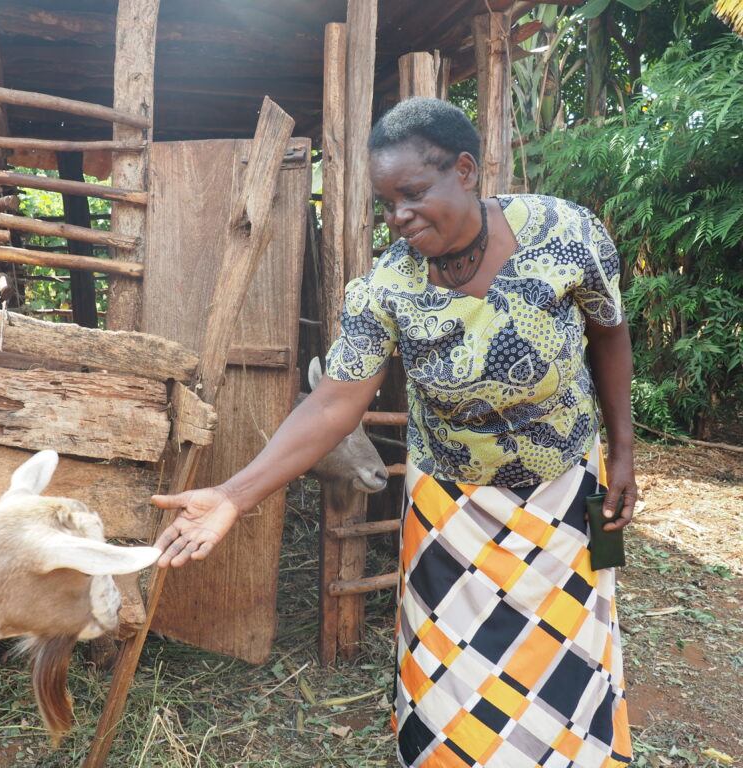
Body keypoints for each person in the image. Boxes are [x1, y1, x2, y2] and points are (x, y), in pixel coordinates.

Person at [151, 97, 637, 768]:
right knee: (452, 686)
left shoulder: (566, 234)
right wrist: (234, 495)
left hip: (565, 499)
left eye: (413, 194)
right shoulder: (389, 287)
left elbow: (609, 334)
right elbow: (332, 405)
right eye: (387, 203)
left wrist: (624, 453)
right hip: (452, 515)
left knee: (568, 669)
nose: (400, 217)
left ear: (465, 170)